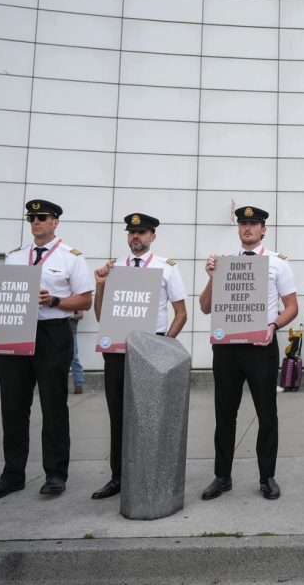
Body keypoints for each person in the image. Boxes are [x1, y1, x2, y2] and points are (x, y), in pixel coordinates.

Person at [0, 200, 93, 500]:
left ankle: (55, 474)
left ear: (55, 222)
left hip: (52, 333)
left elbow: (84, 301)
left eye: (42, 217)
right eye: (32, 218)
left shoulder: (71, 258)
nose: (36, 222)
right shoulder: (15, 256)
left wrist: (54, 301)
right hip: (15, 330)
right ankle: (12, 474)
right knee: (13, 406)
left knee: (53, 405)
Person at [199, 206, 298, 500]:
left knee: (267, 413)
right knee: (224, 414)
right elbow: (205, 306)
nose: (248, 228)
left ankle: (267, 476)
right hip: (228, 348)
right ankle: (222, 476)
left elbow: (292, 306)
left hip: (261, 346)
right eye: (243, 223)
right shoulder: (224, 262)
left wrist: (273, 325)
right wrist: (212, 277)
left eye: (254, 224)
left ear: (263, 229)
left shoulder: (277, 263)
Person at [89, 213, 188, 500]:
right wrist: (100, 286)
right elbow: (100, 316)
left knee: (150, 416)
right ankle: (118, 477)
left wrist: (164, 347)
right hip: (118, 351)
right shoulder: (114, 268)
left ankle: (150, 475)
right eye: (132, 232)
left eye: (143, 232)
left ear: (152, 236)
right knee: (118, 415)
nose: (137, 236)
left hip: (152, 348)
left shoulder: (165, 268)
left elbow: (181, 314)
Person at [69, 309, 84, 394]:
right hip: (55, 331)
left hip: (71, 331)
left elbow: (80, 315)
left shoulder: (75, 298)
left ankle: (78, 384)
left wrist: (66, 315)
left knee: (74, 358)